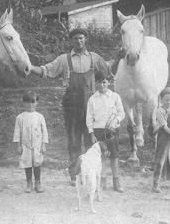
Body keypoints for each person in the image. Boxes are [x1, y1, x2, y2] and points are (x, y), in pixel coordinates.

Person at [29, 27, 118, 184]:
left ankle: (90, 173)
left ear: (85, 39)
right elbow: (46, 70)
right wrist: (29, 68)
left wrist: (119, 58)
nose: (79, 41)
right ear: (72, 40)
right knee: (74, 142)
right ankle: (75, 174)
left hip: (92, 108)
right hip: (73, 108)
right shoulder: (64, 59)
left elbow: (110, 72)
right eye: (76, 38)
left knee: (92, 142)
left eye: (81, 38)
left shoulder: (94, 58)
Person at [86, 71, 126, 192]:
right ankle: (102, 181)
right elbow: (89, 117)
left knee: (114, 156)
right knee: (102, 156)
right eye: (99, 82)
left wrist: (115, 121)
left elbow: (121, 113)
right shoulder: (92, 99)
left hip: (112, 130)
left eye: (104, 82)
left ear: (108, 82)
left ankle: (116, 181)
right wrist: (92, 133)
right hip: (98, 130)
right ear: (96, 84)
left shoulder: (115, 97)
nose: (102, 85)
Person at [13, 91, 49, 193]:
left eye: (33, 102)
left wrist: (43, 145)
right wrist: (18, 145)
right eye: (28, 102)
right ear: (24, 103)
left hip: (37, 145)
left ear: (37, 102)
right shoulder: (20, 117)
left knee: (37, 164)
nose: (30, 104)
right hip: (26, 145)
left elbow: (44, 131)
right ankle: (29, 183)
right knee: (27, 164)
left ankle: (38, 183)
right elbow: (17, 132)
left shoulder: (39, 116)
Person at [151, 87, 170, 193]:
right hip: (164, 137)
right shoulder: (160, 111)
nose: (169, 102)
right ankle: (156, 183)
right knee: (160, 160)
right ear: (161, 99)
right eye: (166, 100)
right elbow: (164, 126)